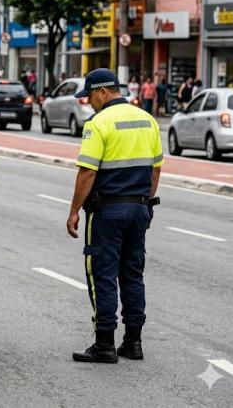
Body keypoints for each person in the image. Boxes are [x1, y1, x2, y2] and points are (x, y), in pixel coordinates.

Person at [66, 68, 163, 364]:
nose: (89, 103)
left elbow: (87, 172)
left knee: (103, 275)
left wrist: (73, 211)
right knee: (132, 274)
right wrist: (145, 201)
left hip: (107, 210)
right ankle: (133, 342)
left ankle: (105, 344)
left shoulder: (99, 123)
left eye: (90, 96)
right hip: (138, 208)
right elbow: (156, 167)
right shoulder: (147, 120)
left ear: (103, 92)